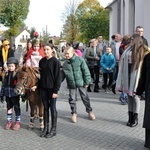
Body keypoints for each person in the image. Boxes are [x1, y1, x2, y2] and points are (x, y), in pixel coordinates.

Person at [115, 34, 150, 127]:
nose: (130, 41)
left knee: (135, 96)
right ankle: (130, 116)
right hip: (128, 73)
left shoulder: (143, 50)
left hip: (137, 75)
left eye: (132, 40)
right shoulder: (128, 49)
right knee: (129, 96)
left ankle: (135, 117)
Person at [61, 46, 96, 123]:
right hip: (71, 84)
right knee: (72, 99)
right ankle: (74, 113)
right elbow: (62, 75)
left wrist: (87, 82)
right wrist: (57, 83)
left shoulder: (80, 60)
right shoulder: (65, 64)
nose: (66, 55)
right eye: (65, 54)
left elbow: (85, 71)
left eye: (67, 53)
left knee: (85, 97)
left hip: (81, 83)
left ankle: (90, 111)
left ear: (73, 53)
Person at [39, 43, 61, 138]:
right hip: (43, 88)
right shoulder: (42, 61)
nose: (46, 51)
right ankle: (46, 128)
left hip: (52, 89)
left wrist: (56, 91)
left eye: (48, 49)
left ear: (52, 50)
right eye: (45, 49)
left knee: (52, 108)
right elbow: (40, 76)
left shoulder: (55, 61)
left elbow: (58, 77)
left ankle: (53, 129)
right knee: (45, 108)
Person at [0, 57, 21, 130]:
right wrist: (1, 95)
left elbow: (20, 85)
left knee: (16, 108)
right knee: (9, 108)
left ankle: (17, 122)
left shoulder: (17, 75)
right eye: (9, 66)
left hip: (14, 94)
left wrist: (22, 94)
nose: (10, 68)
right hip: (7, 94)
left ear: (15, 66)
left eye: (12, 66)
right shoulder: (6, 74)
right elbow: (3, 85)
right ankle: (9, 121)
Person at [136, 52, 150, 149]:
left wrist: (139, 91)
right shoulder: (148, 57)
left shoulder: (148, 57)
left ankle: (149, 142)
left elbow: (143, 76)